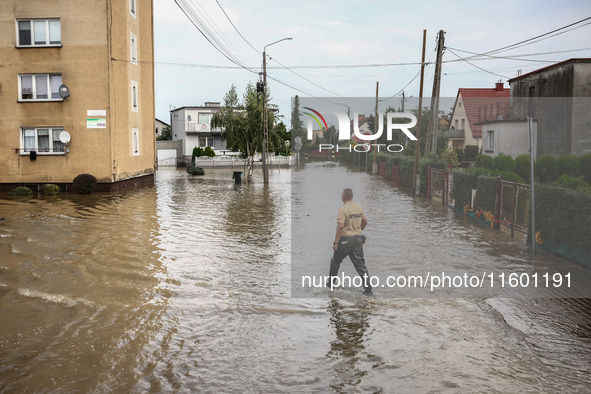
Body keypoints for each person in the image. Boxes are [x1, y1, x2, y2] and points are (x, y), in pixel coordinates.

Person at [327, 188, 372, 294]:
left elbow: (340, 226)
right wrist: (358, 230)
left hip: (345, 242)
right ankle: (368, 290)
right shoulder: (359, 207)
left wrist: (336, 243)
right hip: (357, 241)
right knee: (361, 267)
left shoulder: (343, 209)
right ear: (352, 197)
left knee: (335, 262)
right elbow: (365, 221)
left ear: (343, 197)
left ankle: (330, 287)